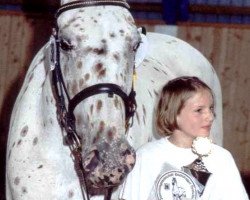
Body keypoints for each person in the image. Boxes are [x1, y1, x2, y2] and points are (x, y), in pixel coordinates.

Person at [119, 76, 248, 200]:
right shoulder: (146, 156)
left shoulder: (221, 158)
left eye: (211, 108)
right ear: (174, 114)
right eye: (199, 110)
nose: (210, 116)